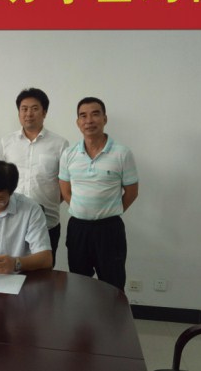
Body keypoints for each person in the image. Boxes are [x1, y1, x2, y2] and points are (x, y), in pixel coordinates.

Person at [59, 97, 139, 291]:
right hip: (78, 229)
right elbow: (65, 190)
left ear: (105, 119)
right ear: (78, 122)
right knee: (79, 284)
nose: (89, 120)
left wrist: (108, 210)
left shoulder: (122, 153)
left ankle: (112, 313)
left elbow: (132, 192)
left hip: (109, 229)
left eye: (95, 114)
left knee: (113, 285)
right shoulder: (69, 154)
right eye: (83, 116)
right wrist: (82, 209)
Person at [0, 87, 68, 267]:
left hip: (47, 222)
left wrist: (50, 201)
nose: (29, 113)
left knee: (44, 272)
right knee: (10, 270)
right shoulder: (6, 142)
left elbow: (65, 184)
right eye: (24, 109)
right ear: (19, 113)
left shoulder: (60, 144)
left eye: (35, 108)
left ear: (44, 112)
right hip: (11, 222)